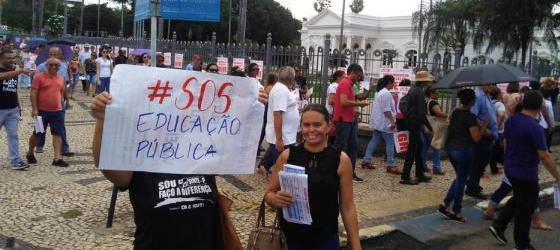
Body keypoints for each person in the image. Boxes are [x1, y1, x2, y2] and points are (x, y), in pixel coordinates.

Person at [91, 89, 268, 250]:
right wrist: (102, 120)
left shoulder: (198, 155)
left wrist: (250, 108)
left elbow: (235, 145)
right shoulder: (141, 161)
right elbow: (107, 166)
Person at [264, 104, 361, 250]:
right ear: (301, 127)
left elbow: (347, 207)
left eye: (317, 125)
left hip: (326, 239)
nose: (311, 130)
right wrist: (274, 199)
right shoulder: (288, 156)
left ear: (328, 127)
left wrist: (356, 245)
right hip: (291, 240)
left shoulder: (341, 159)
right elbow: (269, 193)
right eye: (306, 125)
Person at [489, 91, 560, 250]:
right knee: (525, 209)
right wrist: (559, 178)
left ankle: (499, 225)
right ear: (541, 106)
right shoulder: (534, 127)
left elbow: (505, 141)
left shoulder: (513, 120)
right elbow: (545, 156)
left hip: (511, 168)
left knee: (520, 197)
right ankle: (522, 245)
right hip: (525, 172)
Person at [438, 89, 487, 222]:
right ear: (472, 101)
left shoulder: (454, 112)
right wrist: (484, 126)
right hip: (464, 150)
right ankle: (456, 211)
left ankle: (445, 204)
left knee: (460, 177)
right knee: (462, 179)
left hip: (450, 149)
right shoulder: (470, 117)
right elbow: (476, 138)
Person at [26, 58, 69, 167]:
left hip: (57, 112)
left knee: (57, 134)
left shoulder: (61, 78)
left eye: (56, 65)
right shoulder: (39, 77)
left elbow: (62, 92)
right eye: (51, 65)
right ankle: (30, 153)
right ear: (46, 66)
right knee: (37, 133)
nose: (53, 67)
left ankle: (57, 158)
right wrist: (34, 109)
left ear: (59, 67)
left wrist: (64, 103)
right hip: (41, 112)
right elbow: (33, 93)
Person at [258, 67, 300, 175]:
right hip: (283, 135)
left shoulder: (281, 88)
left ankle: (263, 166)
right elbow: (277, 114)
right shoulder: (281, 90)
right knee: (281, 161)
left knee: (275, 153)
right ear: (291, 79)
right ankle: (278, 184)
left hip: (286, 134)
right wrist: (279, 139)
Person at [333, 64, 368, 183]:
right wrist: (358, 105)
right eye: (359, 74)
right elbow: (343, 101)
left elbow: (347, 102)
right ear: (353, 72)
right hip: (343, 121)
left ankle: (350, 173)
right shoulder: (345, 83)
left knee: (353, 146)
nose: (359, 77)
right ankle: (335, 172)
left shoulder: (351, 85)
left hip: (349, 119)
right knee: (340, 147)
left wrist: (354, 110)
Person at [361, 75, 401, 174]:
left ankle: (366, 160)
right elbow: (386, 110)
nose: (394, 84)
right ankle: (391, 165)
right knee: (390, 142)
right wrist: (392, 122)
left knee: (374, 140)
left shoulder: (379, 92)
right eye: (393, 82)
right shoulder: (386, 94)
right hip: (385, 123)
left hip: (379, 122)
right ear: (390, 83)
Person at [400, 71, 434, 185]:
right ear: (424, 81)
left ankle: (419, 174)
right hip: (415, 123)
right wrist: (429, 127)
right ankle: (405, 176)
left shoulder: (414, 89)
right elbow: (421, 113)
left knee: (419, 147)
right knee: (412, 150)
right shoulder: (418, 92)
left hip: (412, 122)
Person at [465, 85, 497, 199]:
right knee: (479, 163)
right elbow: (473, 116)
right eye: (490, 83)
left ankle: (473, 185)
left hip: (488, 134)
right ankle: (472, 187)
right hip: (482, 135)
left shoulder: (486, 96)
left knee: (482, 162)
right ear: (482, 84)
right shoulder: (478, 96)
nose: (492, 86)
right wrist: (486, 130)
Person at [0, 49, 30, 170]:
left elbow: (14, 90)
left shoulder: (12, 71)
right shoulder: (9, 72)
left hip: (12, 109)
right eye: (8, 58)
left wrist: (18, 106)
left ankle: (15, 160)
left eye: (12, 58)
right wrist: (21, 70)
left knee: (13, 135)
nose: (11, 60)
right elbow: (1, 76)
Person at [423, 87, 446, 175]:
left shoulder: (424, 101)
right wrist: (447, 115)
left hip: (426, 126)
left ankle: (423, 165)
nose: (438, 94)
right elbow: (438, 113)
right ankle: (436, 167)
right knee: (436, 147)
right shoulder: (433, 102)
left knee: (425, 147)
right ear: (432, 93)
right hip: (433, 128)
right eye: (436, 92)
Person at [489, 86, 506, 174]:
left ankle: (494, 168)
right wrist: (498, 125)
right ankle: (500, 167)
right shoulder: (499, 104)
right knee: (499, 149)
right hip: (498, 131)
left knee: (494, 149)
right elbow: (502, 115)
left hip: (489, 129)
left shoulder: (489, 103)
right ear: (498, 95)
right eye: (501, 93)